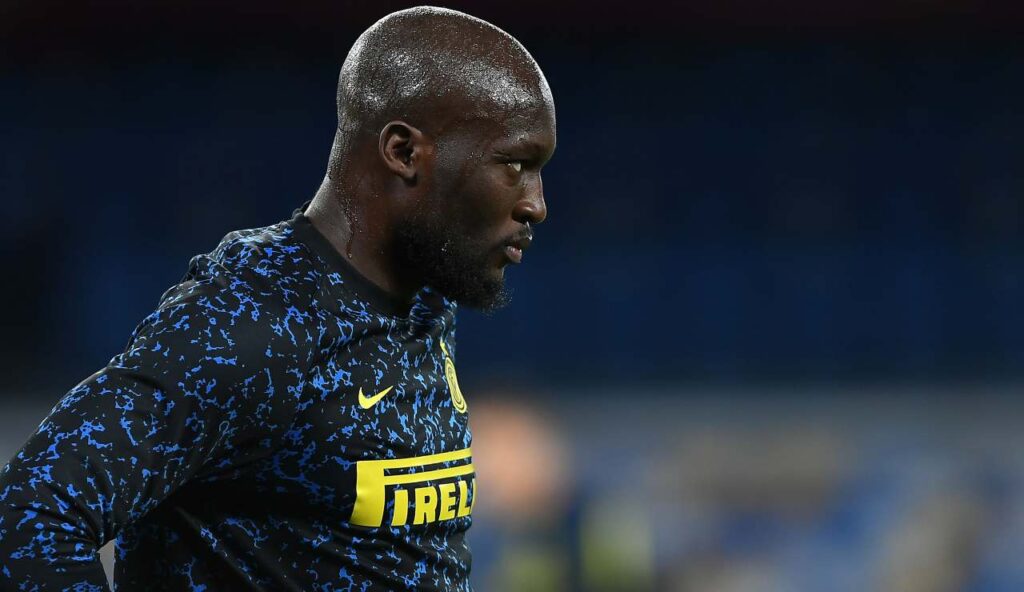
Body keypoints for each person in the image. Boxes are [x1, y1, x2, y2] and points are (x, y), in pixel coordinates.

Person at [0, 5, 555, 590]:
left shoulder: (424, 300)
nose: (535, 204)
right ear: (403, 152)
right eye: (514, 164)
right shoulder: (252, 324)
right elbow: (27, 519)